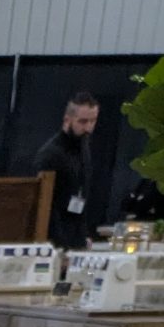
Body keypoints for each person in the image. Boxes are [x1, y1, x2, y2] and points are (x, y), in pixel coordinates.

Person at [35, 93, 101, 254]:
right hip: (54, 240)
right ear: (67, 120)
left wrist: (83, 235)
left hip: (75, 234)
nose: (88, 128)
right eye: (83, 121)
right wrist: (60, 246)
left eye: (93, 121)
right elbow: (46, 206)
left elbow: (82, 195)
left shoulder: (83, 147)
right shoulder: (51, 154)